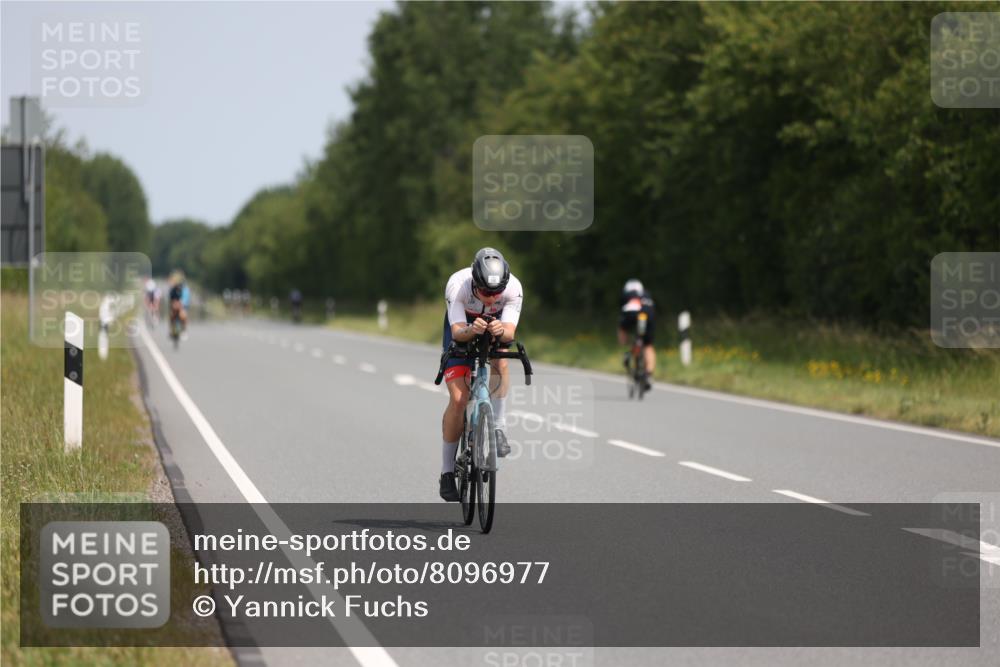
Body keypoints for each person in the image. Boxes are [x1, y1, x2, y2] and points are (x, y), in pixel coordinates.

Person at [439, 247, 523, 502]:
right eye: (485, 292)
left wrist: (501, 329)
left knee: (502, 362)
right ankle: (446, 471)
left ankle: (498, 428)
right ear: (475, 282)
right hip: (463, 326)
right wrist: (471, 329)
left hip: (494, 325)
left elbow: (509, 332)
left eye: (495, 293)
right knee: (458, 399)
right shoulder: (458, 285)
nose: (490, 297)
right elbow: (456, 332)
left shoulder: (514, 288)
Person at [618, 279, 656, 390]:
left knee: (623, 329)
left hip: (632, 314)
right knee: (648, 346)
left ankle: (629, 349)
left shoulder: (626, 294)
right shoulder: (646, 294)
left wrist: (623, 335)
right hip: (648, 315)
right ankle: (648, 374)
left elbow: (622, 312)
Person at [168, 271, 191, 339]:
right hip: (174, 305)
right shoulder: (172, 289)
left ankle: (184, 330)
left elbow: (185, 299)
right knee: (171, 316)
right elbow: (171, 299)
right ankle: (171, 330)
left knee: (183, 316)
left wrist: (181, 304)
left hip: (182, 305)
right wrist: (173, 304)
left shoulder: (185, 289)